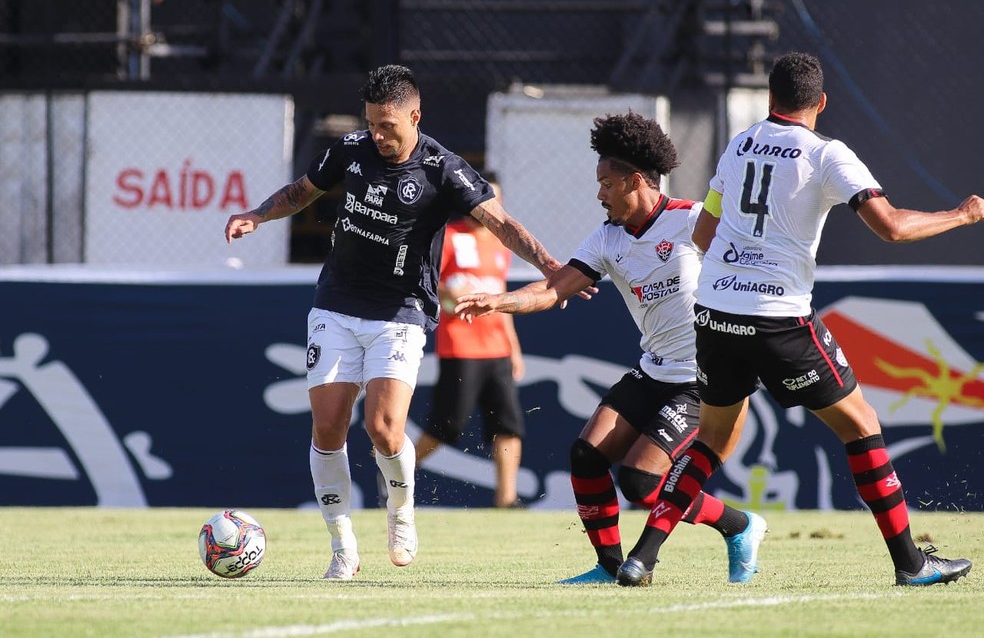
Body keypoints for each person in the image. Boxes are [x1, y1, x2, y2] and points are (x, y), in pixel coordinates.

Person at [615, 52, 982, 587]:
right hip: (778, 319)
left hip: (715, 313)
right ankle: (912, 564)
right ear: (822, 103)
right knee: (862, 426)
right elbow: (893, 228)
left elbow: (703, 233)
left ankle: (641, 558)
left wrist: (741, 265)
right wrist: (963, 214)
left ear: (770, 98)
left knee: (709, 442)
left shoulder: (740, 143)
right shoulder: (827, 153)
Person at [224, 64, 565, 581]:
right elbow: (301, 192)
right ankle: (342, 548)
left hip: (401, 312)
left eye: (389, 126)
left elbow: (502, 224)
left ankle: (401, 513)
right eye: (372, 124)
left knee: (385, 430)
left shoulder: (443, 169)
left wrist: (551, 269)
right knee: (327, 428)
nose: (379, 136)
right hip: (336, 303)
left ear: (415, 116)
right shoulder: (352, 149)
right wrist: (256, 214)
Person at [455, 112, 767, 585]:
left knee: (641, 484)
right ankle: (609, 567)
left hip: (699, 381)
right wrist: (500, 301)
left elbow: (750, 266)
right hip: (652, 371)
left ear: (635, 181)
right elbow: (553, 289)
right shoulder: (607, 238)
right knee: (586, 455)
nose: (598, 192)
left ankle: (739, 526)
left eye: (606, 182)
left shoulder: (691, 222)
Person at [414, 175, 527, 509]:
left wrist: (514, 348)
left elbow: (502, 301)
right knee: (447, 425)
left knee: (508, 424)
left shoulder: (500, 244)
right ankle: (397, 475)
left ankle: (506, 500)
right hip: (461, 346)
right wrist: (451, 295)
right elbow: (429, 286)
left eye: (496, 199)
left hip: (498, 350)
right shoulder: (447, 237)